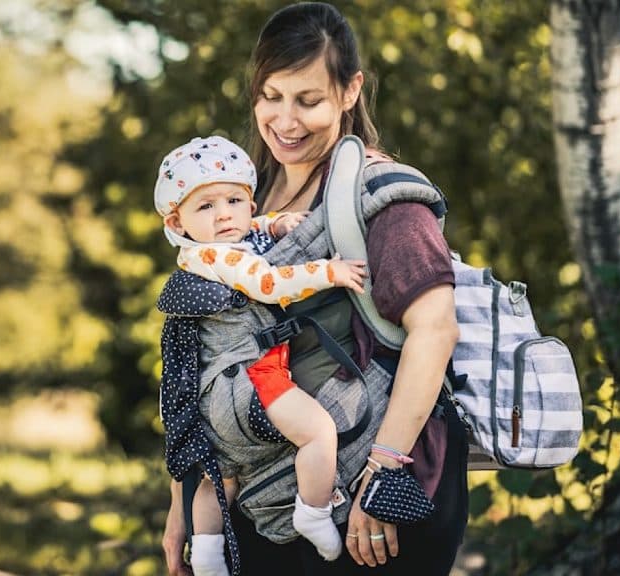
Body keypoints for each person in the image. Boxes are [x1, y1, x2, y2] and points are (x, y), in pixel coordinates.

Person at [161, 3, 469, 575]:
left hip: (369, 496)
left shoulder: (382, 193)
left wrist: (383, 475)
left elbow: (436, 328)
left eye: (308, 100)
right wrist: (185, 498)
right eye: (270, 97)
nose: (285, 121)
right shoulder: (241, 200)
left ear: (350, 91)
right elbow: (202, 353)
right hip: (261, 499)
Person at [154, 135, 368, 575]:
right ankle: (312, 511)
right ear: (177, 221)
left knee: (223, 477)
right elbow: (269, 283)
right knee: (318, 433)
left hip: (213, 395)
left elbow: (251, 228)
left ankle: (209, 556)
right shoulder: (222, 257)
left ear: (249, 204)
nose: (224, 214)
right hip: (254, 379)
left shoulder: (203, 250)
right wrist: (329, 271)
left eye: (235, 199)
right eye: (206, 207)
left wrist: (272, 225)